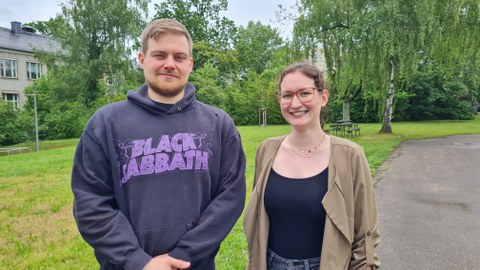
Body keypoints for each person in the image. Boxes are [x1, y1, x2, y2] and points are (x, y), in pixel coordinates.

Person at [71, 18, 246, 270]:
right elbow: (91, 203)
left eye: (179, 57)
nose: (169, 64)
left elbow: (230, 198)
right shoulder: (106, 124)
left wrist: (185, 254)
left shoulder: (219, 125)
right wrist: (138, 261)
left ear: (190, 63)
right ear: (142, 59)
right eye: (159, 55)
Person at [243, 62, 380, 270]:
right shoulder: (266, 150)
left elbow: (365, 235)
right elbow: (259, 224)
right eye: (287, 95)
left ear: (323, 97)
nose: (295, 103)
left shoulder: (350, 156)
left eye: (304, 93)